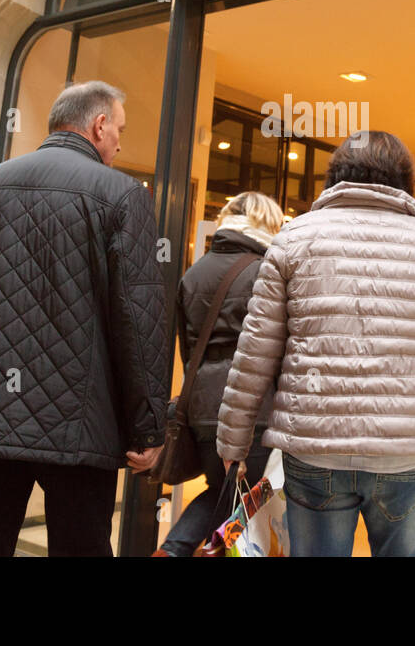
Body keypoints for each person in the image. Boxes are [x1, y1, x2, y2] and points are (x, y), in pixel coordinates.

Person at [0, 81, 169, 556]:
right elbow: (138, 314)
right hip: (81, 423)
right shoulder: (123, 195)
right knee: (81, 547)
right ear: (99, 124)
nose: (120, 143)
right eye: (120, 130)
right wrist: (147, 426)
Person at [217, 130, 415, 557]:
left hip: (314, 451)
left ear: (335, 177)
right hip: (405, 454)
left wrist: (232, 443)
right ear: (405, 182)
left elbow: (255, 351)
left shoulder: (293, 240)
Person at [155, 192, 285, 557]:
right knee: (257, 496)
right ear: (266, 224)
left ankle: (172, 551)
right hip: (253, 405)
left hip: (201, 405)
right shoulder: (265, 270)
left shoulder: (194, 273)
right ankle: (215, 549)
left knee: (221, 490)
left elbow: (187, 349)